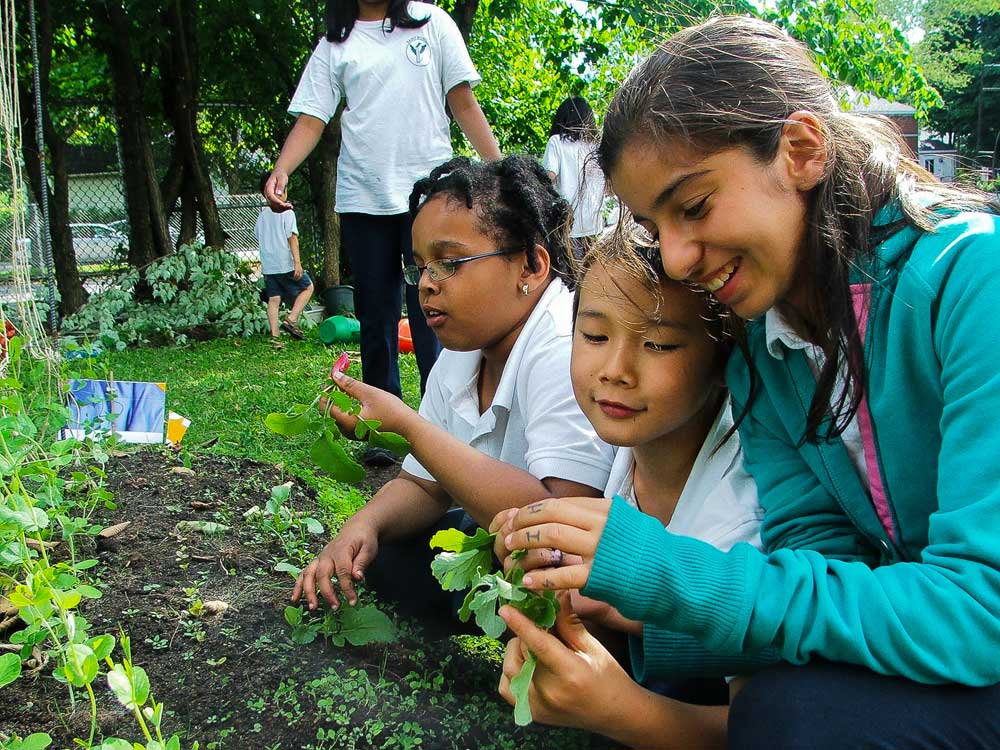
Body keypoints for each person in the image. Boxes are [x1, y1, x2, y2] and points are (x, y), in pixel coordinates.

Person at [495, 16, 1000, 750]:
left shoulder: (971, 284)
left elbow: (981, 613)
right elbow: (821, 574)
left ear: (801, 150)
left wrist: (669, 575)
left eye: (693, 206)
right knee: (786, 703)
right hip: (949, 660)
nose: (672, 258)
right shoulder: (769, 349)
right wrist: (631, 614)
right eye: (651, 222)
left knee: (791, 719)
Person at [291, 155, 615, 627]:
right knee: (384, 557)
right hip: (504, 538)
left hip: (575, 567)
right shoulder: (465, 347)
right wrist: (360, 526)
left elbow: (561, 524)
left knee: (542, 579)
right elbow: (424, 482)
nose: (426, 284)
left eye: (449, 263)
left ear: (530, 265)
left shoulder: (566, 346)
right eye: (420, 266)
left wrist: (410, 427)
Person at [266, 0, 501, 462]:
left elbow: (463, 101)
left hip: (431, 199)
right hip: (364, 200)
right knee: (376, 316)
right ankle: (382, 430)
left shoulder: (433, 23)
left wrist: (501, 172)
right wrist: (281, 170)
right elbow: (312, 118)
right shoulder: (337, 42)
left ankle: (442, 432)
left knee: (434, 312)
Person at [541, 96, 606, 260]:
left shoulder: (557, 142)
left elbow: (548, 178)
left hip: (568, 226)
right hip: (595, 226)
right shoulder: (596, 147)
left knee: (571, 282)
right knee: (592, 278)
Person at [254, 172, 313, 346]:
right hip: (285, 262)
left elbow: (258, 235)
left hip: (269, 264)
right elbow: (292, 237)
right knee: (308, 287)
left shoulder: (262, 215)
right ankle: (291, 319)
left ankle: (275, 337)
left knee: (274, 299)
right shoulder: (287, 212)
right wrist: (297, 262)